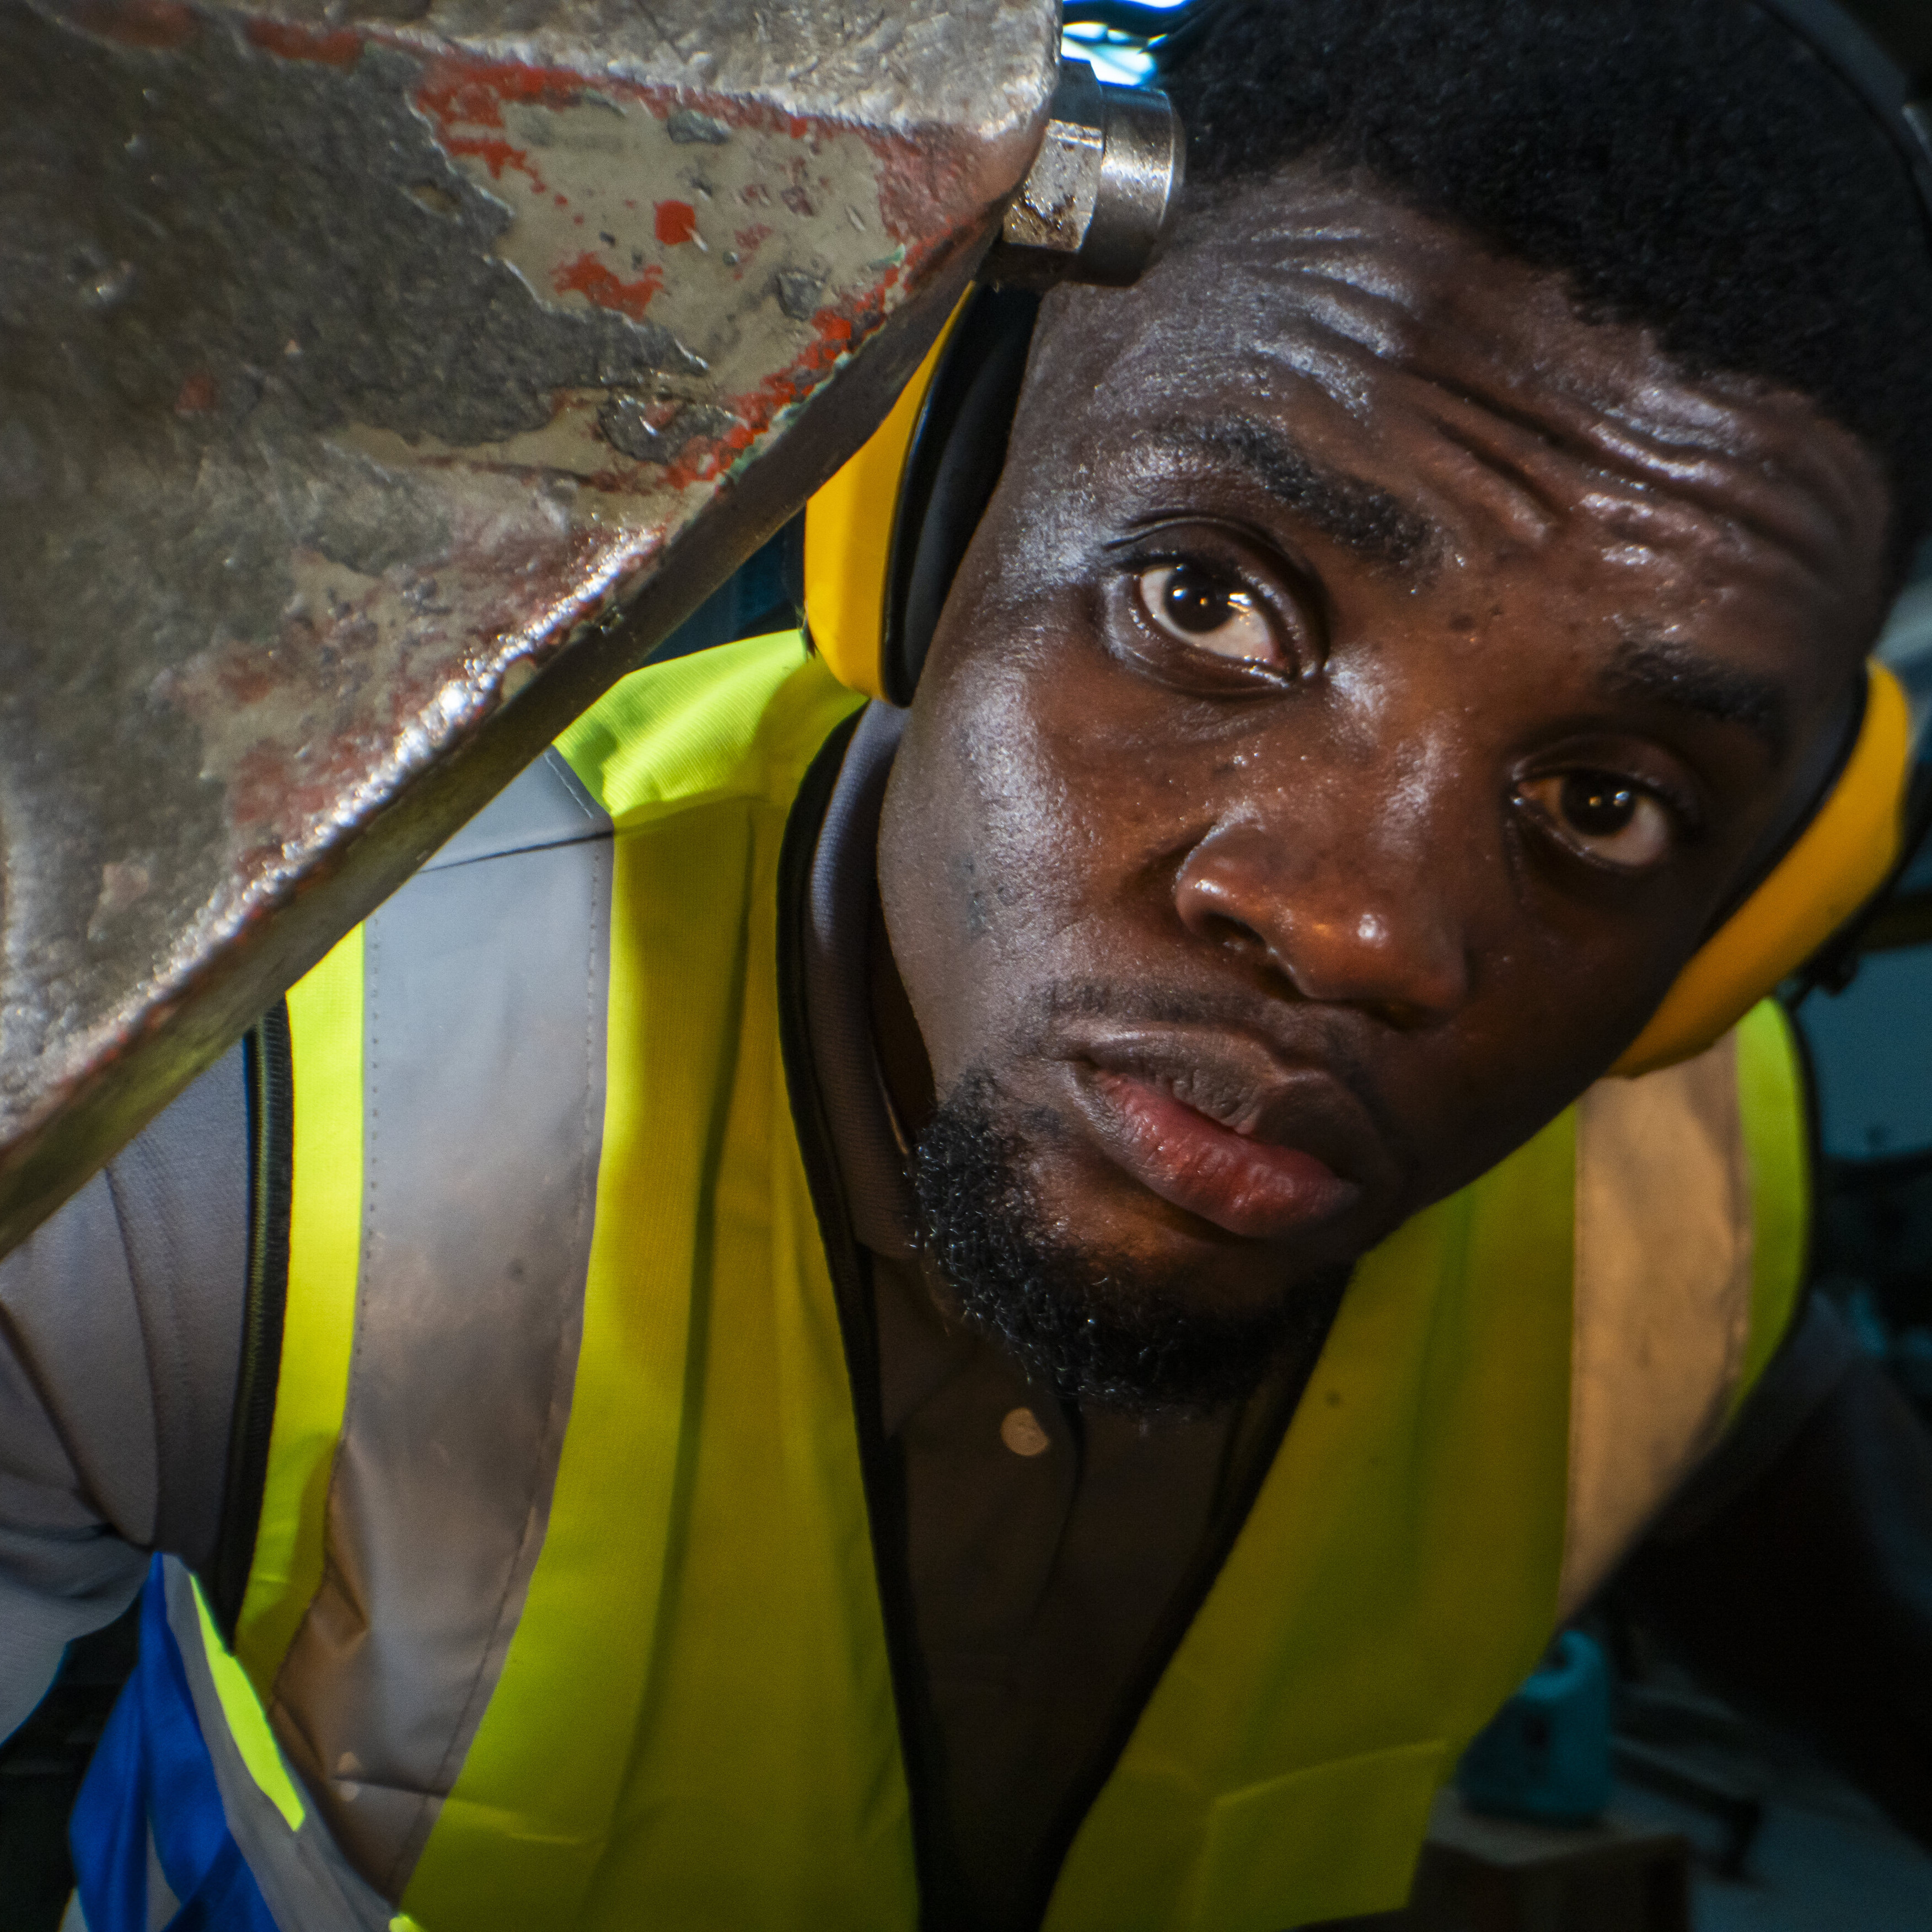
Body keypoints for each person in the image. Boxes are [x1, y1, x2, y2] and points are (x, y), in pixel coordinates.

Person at [7, 1, 1932, 1927]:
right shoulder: (243, 1079)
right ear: (922, 512)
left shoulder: (1678, 1216)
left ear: (1751, 912)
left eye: (1605, 804)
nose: (1362, 932)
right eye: (1211, 599)